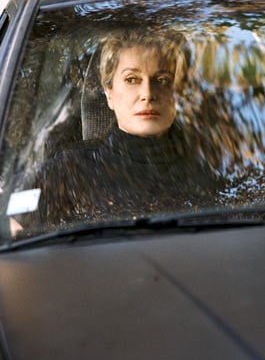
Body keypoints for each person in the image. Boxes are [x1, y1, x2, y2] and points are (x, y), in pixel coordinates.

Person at [15, 28, 219, 232]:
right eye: (132, 79)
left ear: (178, 91)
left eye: (162, 80)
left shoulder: (212, 164)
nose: (147, 94)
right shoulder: (69, 171)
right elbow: (14, 235)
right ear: (108, 92)